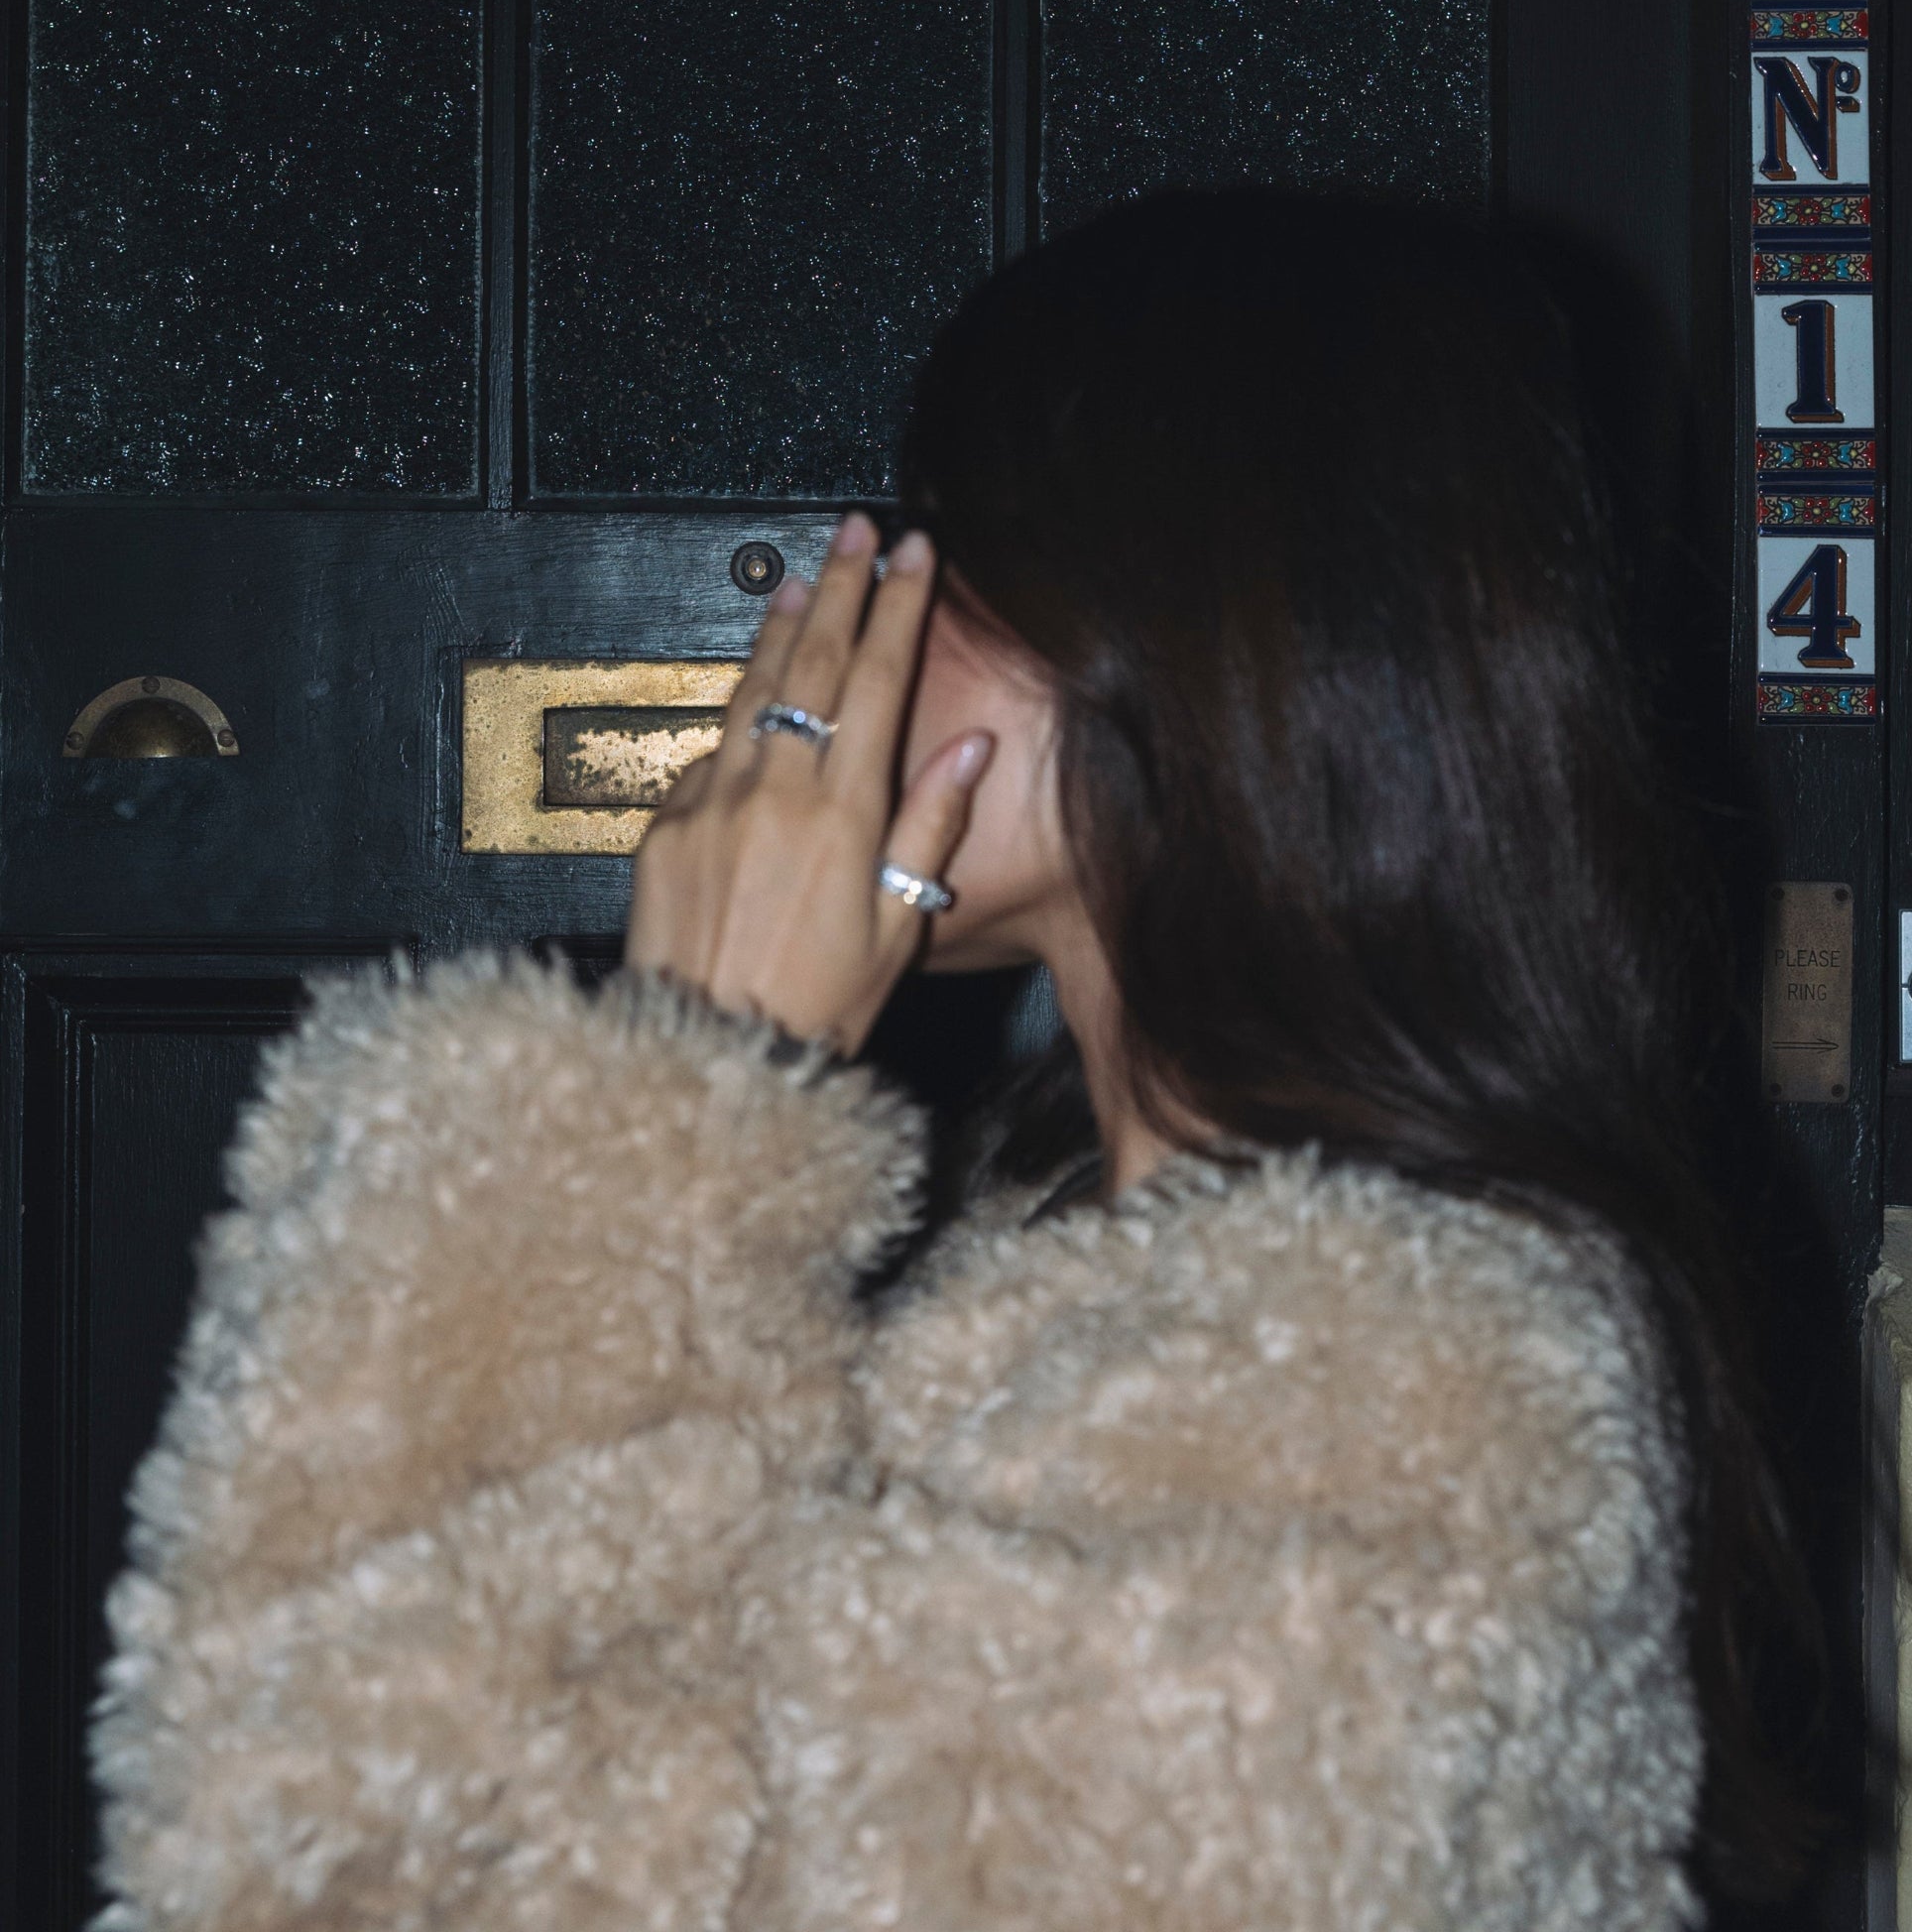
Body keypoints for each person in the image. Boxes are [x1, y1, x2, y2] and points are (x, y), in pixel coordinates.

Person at [91, 192, 1807, 1930]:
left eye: (942, 552)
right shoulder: (1100, 1246)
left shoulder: (1383, 1406)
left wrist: (683, 1082)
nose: (849, 629)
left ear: (1193, 639)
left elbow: (333, 1869)